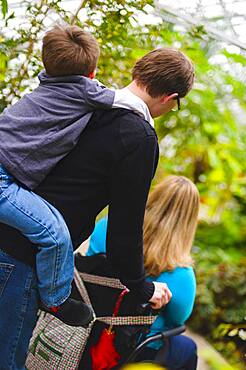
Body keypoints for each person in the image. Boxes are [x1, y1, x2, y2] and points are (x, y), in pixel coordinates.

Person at [0, 43, 194, 369]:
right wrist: (142, 288)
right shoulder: (139, 137)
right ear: (170, 98)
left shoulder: (87, 102)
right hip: (22, 257)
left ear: (138, 70)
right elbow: (125, 229)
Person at [0, 24, 156, 328]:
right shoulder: (85, 93)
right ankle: (57, 300)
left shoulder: (46, 88)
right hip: (3, 184)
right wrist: (145, 124)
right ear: (93, 73)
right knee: (54, 232)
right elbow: (122, 100)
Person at [87, 176, 199, 370]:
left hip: (90, 328)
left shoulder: (108, 226)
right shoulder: (181, 274)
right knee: (188, 348)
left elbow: (90, 265)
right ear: (190, 221)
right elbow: (178, 319)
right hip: (134, 350)